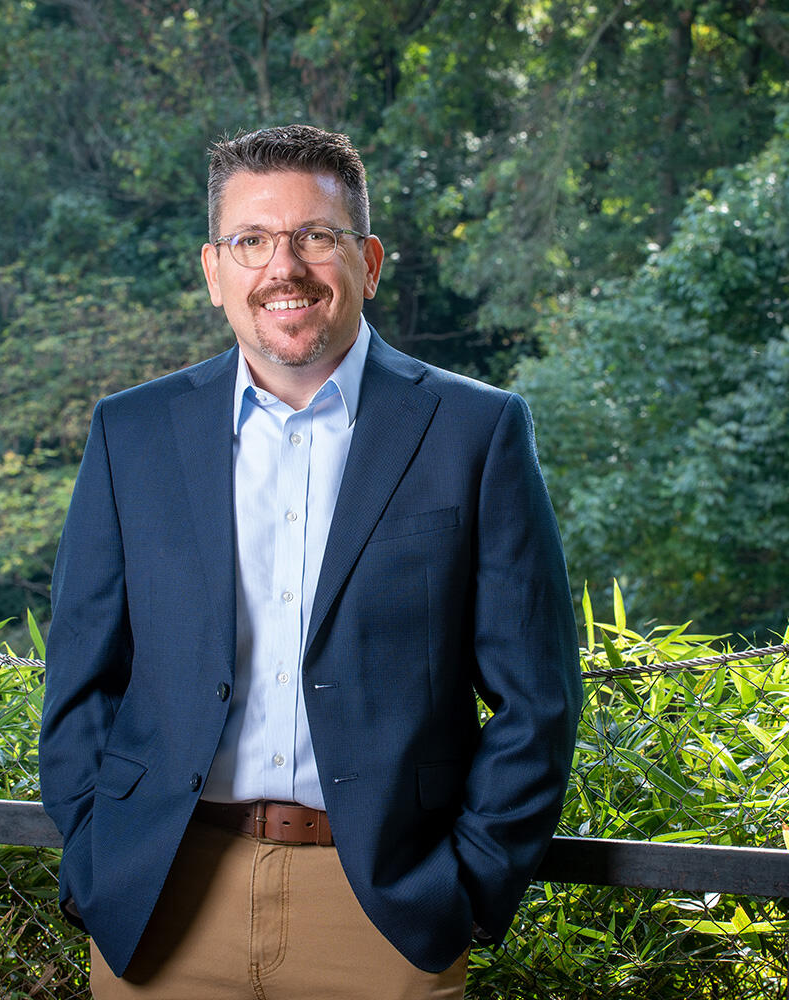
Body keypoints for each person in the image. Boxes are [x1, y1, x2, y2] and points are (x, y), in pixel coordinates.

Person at [39, 123, 582, 999]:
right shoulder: (129, 433)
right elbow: (80, 680)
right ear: (215, 272)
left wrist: (471, 886)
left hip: (381, 910)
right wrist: (95, 856)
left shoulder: (475, 433)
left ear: (366, 261)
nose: (282, 267)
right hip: (159, 898)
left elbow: (538, 695)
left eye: (315, 238)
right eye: (251, 240)